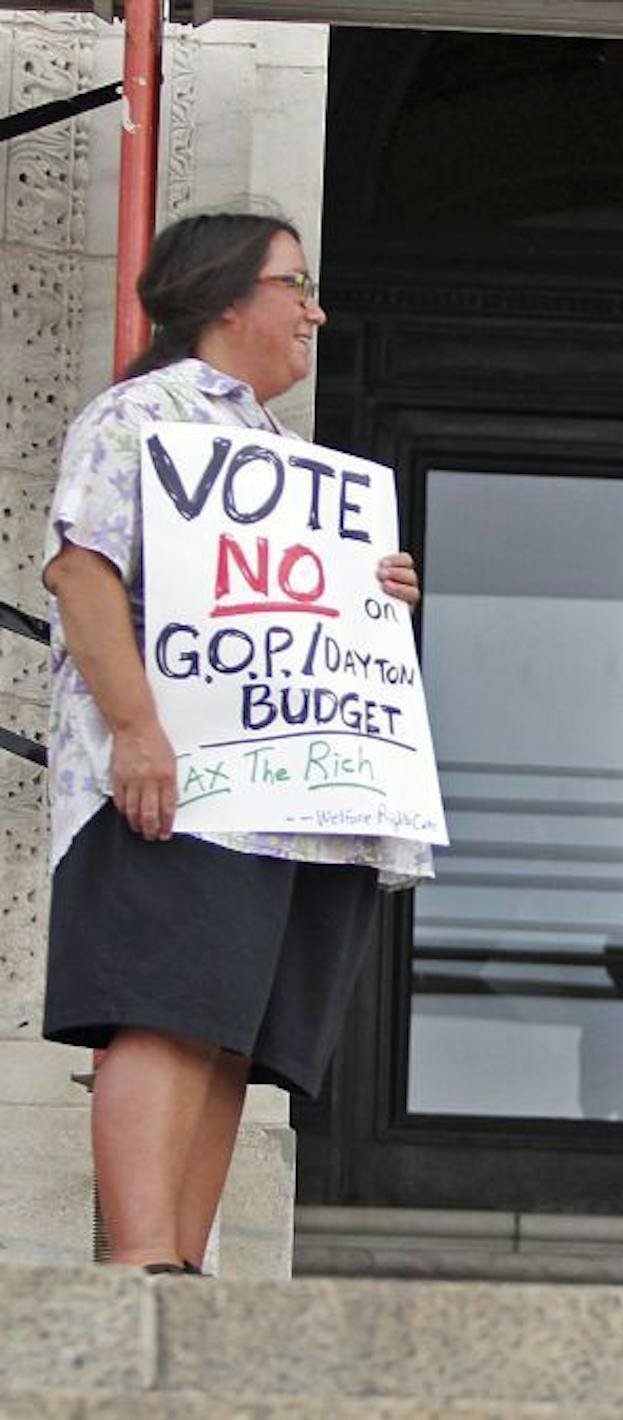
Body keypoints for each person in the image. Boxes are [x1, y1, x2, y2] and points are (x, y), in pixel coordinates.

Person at [41, 212, 426, 1275]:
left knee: (223, 1036)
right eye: (295, 283)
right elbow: (83, 571)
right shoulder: (140, 418)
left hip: (277, 803)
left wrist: (373, 593)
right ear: (223, 296)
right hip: (175, 781)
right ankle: (142, 1265)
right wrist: (138, 734)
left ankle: (180, 1269)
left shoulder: (288, 459)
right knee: (162, 1015)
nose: (316, 308)